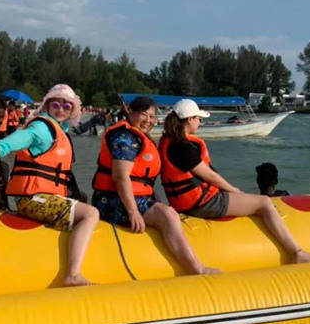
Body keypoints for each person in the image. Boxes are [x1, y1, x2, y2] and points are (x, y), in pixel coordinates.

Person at [159, 99, 310, 264]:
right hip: (202, 204)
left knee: (252, 199)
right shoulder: (183, 147)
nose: (200, 122)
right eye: (199, 119)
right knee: (264, 203)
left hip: (184, 203)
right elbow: (210, 176)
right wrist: (234, 191)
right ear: (189, 119)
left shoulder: (169, 141)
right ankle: (297, 253)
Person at [0, 84, 99, 287]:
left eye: (67, 106)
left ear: (73, 110)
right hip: (32, 200)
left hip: (45, 197)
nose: (61, 109)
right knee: (90, 214)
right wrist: (0, 147)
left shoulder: (59, 130)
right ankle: (73, 274)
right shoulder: (42, 127)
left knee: (83, 199)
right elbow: (25, 137)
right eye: (56, 104)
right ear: (47, 105)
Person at [92, 96, 219, 275]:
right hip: (112, 201)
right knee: (168, 215)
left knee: (166, 212)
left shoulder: (139, 136)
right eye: (143, 114)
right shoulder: (124, 137)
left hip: (132, 198)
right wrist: (133, 212)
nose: (148, 120)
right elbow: (120, 177)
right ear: (130, 112)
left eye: (152, 117)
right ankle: (196, 269)